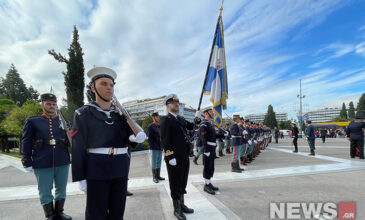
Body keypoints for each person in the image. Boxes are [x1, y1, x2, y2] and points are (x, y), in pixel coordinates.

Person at [71, 66, 146, 220]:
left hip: (120, 166)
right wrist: (81, 177)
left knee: (117, 212)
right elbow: (78, 146)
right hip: (96, 168)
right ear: (93, 88)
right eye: (103, 84)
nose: (109, 88)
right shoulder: (83, 113)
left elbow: (129, 136)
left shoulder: (120, 113)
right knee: (96, 213)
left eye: (111, 85)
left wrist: (132, 138)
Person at [21, 93, 72, 220]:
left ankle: (59, 213)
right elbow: (26, 141)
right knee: (45, 190)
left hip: (62, 160)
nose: (51, 106)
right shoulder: (33, 121)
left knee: (61, 188)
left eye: (54, 104)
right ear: (42, 105)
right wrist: (26, 159)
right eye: (48, 104)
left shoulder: (64, 121)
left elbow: (71, 139)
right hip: (41, 160)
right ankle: (49, 215)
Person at [159, 94, 197, 220]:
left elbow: (191, 127)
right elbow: (165, 140)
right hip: (174, 158)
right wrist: (170, 157)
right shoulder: (165, 120)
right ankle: (176, 208)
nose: (176, 104)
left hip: (184, 155)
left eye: (177, 103)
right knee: (175, 182)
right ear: (167, 105)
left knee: (183, 181)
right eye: (173, 103)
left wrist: (197, 117)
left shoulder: (180, 119)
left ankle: (182, 203)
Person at [198, 106, 220, 195]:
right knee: (207, 166)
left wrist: (223, 135)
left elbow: (214, 136)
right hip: (208, 148)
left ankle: (208, 183)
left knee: (211, 166)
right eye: (211, 112)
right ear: (206, 114)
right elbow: (203, 138)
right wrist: (206, 150)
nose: (213, 113)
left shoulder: (209, 124)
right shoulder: (204, 124)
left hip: (212, 148)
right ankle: (206, 186)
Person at [147, 112, 165, 183]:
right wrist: (150, 148)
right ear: (154, 117)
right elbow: (150, 138)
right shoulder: (151, 126)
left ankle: (158, 175)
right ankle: (154, 177)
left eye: (158, 117)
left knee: (158, 161)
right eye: (157, 117)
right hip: (154, 146)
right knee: (154, 162)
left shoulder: (159, 125)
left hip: (160, 147)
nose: (158, 118)